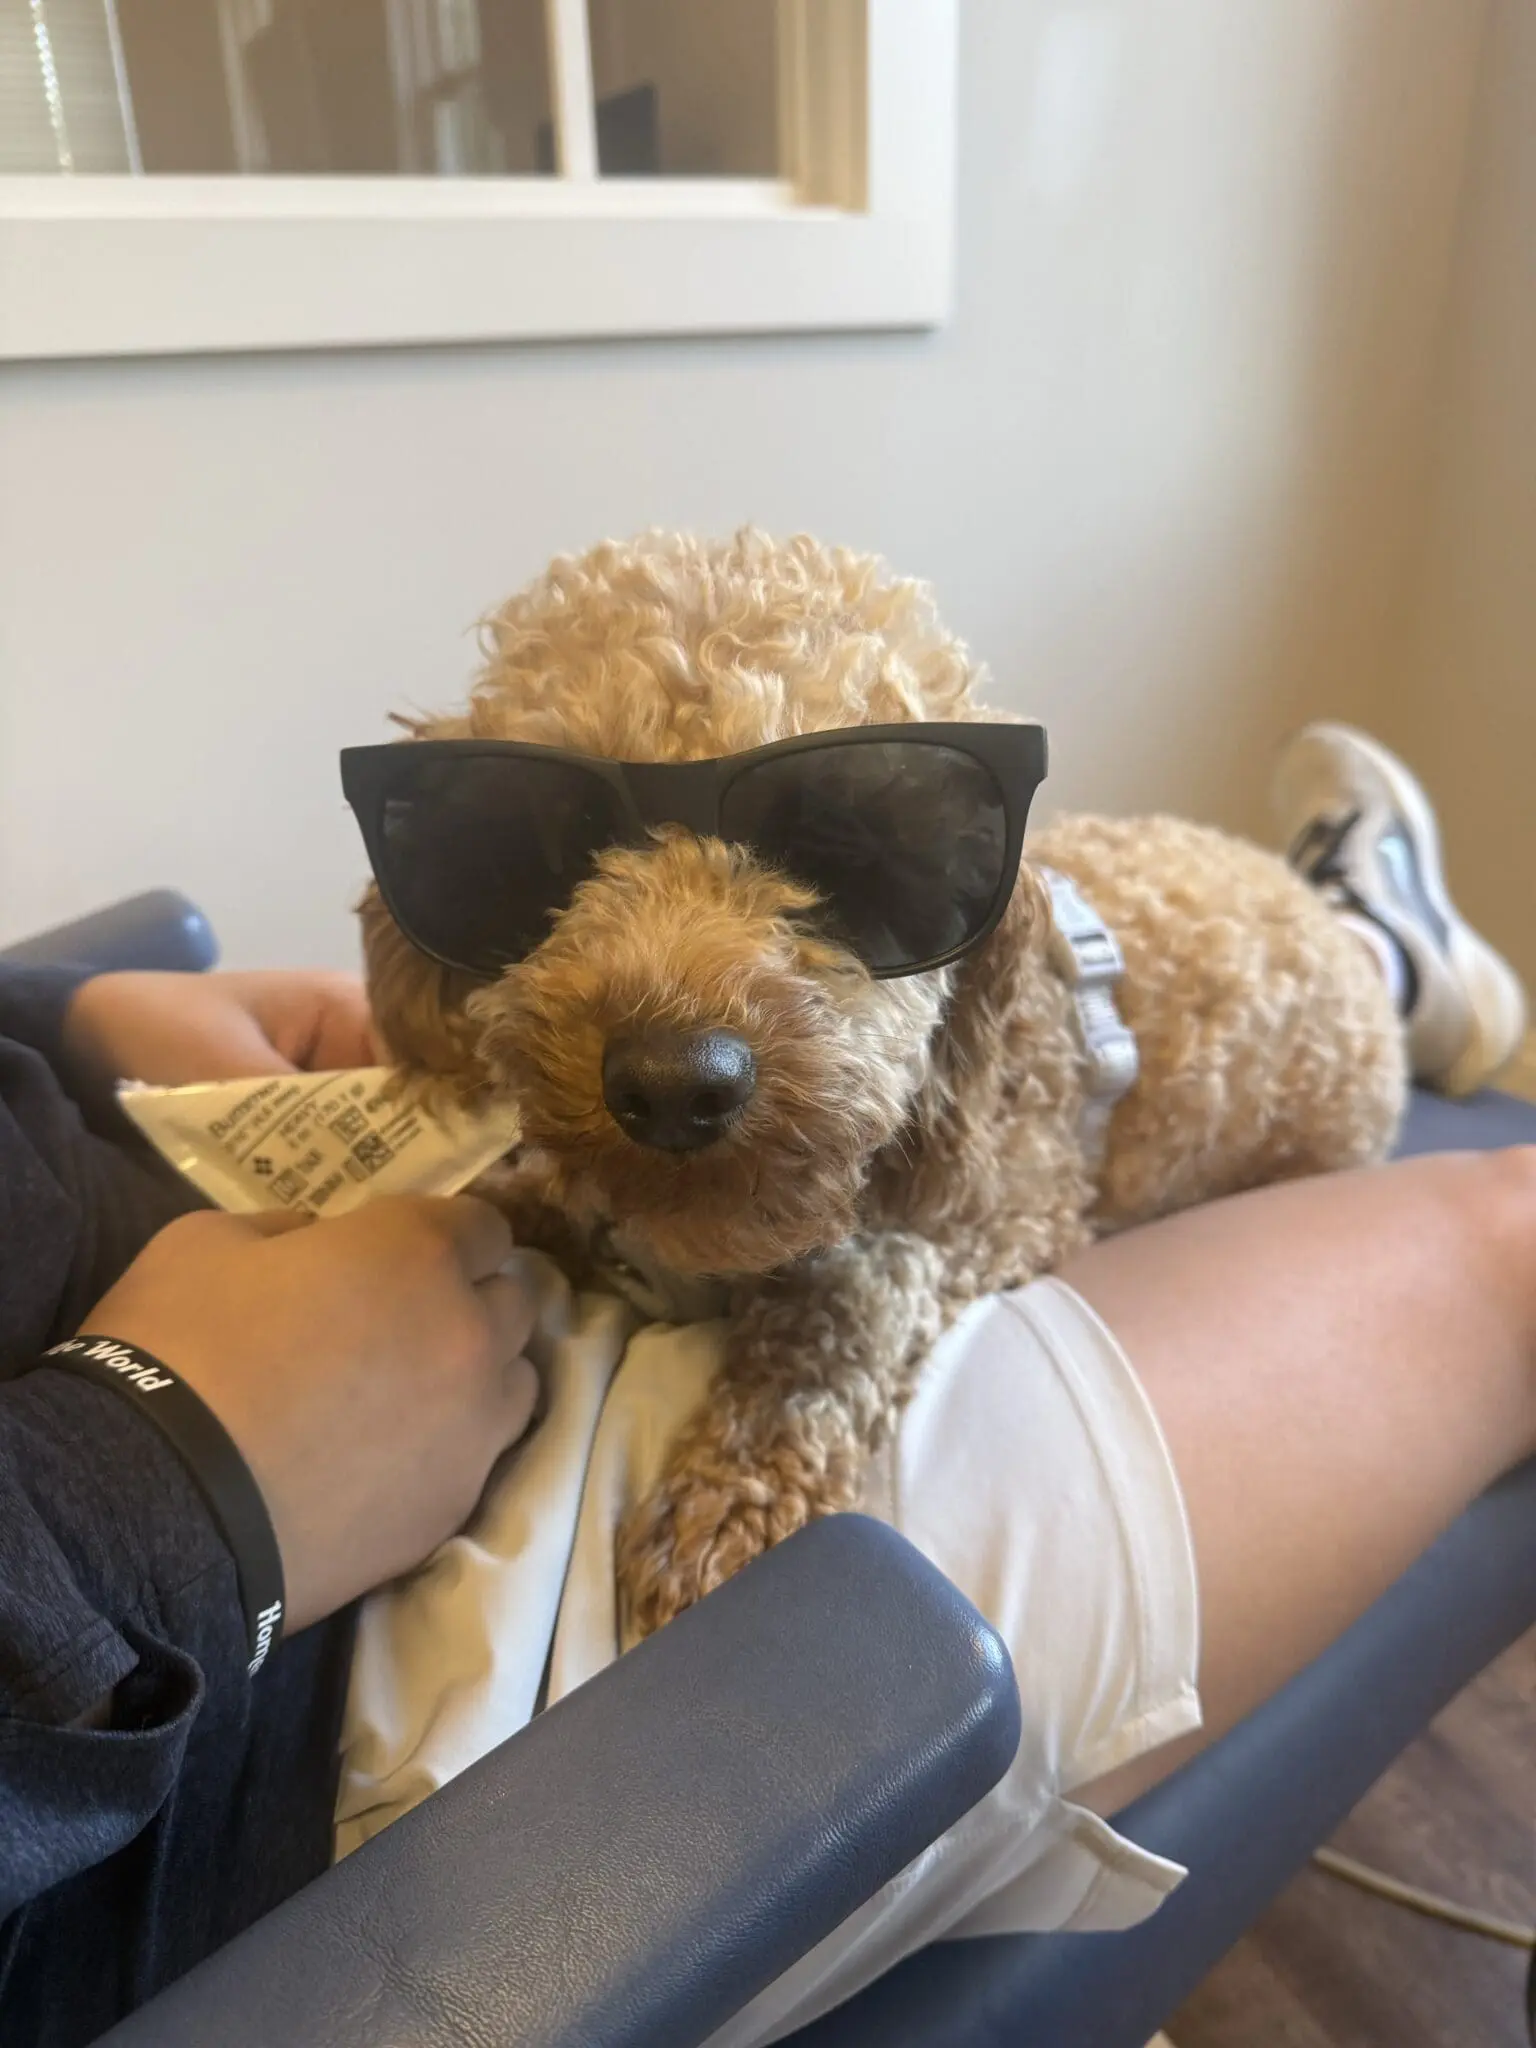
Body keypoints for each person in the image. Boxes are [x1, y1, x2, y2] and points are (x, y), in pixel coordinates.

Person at [2, 725, 1533, 2047]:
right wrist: (160, 1487)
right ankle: (1386, 945)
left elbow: (971, 1171)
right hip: (206, 1698)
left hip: (221, 1277)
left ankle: (1371, 951)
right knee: (1514, 1239)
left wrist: (52, 1020)